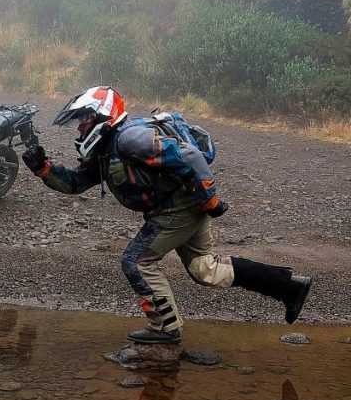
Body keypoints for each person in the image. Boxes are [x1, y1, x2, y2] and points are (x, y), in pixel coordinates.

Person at [21, 87, 312, 344]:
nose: (80, 128)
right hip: (178, 207)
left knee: (136, 261)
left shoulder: (130, 139)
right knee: (204, 268)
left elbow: (189, 156)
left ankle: (165, 328)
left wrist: (211, 201)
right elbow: (76, 182)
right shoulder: (106, 148)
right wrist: (44, 170)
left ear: (101, 116)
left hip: (178, 209)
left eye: (83, 121)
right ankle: (288, 286)